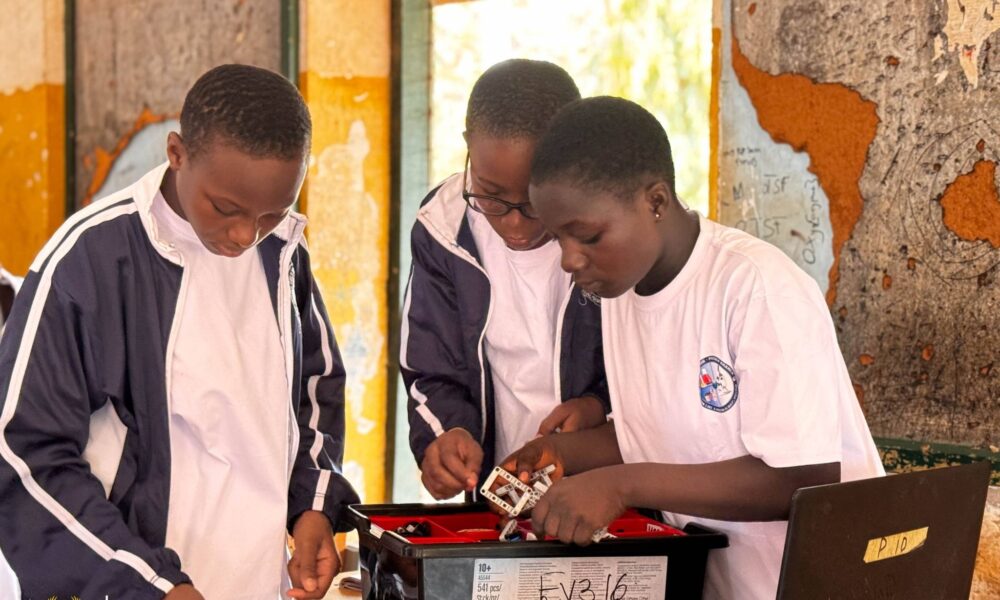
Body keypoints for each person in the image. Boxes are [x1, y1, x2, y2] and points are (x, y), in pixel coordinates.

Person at [502, 96, 885, 599]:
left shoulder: (755, 287)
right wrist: (563, 454)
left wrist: (619, 484)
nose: (569, 260)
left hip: (828, 583)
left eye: (588, 236)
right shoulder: (619, 293)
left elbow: (801, 478)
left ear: (656, 202)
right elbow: (664, 433)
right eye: (557, 239)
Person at [0, 64, 358, 600]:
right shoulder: (91, 259)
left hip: (256, 582)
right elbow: (24, 455)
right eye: (225, 208)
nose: (245, 235)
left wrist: (313, 506)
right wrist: (148, 584)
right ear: (176, 153)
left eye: (272, 212)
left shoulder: (283, 252)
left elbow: (314, 389)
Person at [400, 59, 610, 501]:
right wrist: (446, 433)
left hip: (605, 491)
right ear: (468, 147)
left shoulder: (612, 230)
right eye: (491, 196)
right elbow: (430, 367)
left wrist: (599, 407)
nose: (514, 224)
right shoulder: (443, 229)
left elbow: (656, 375)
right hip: (503, 496)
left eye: (534, 201)